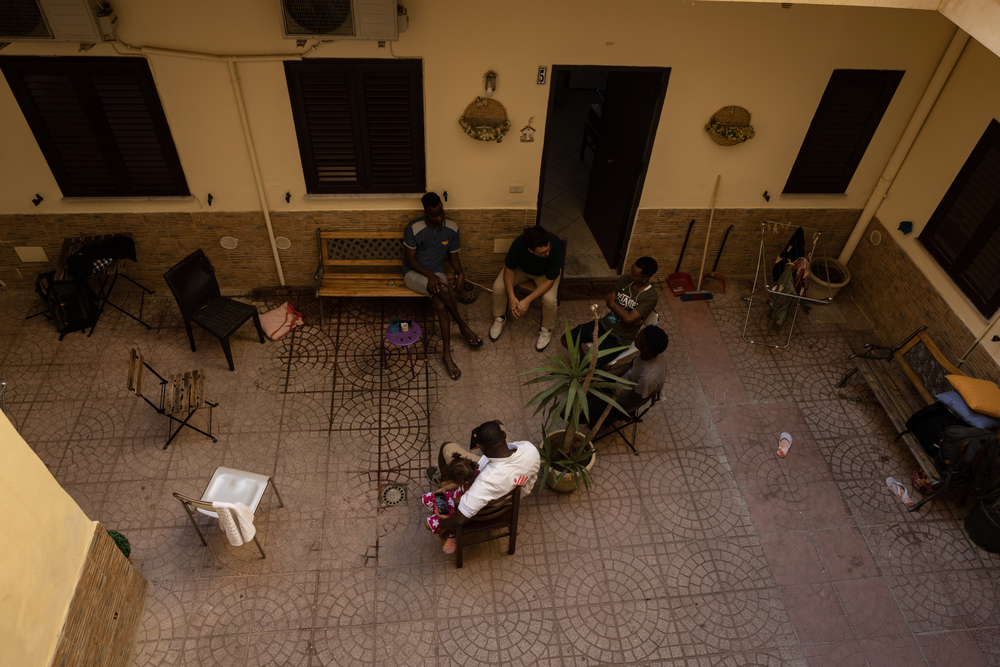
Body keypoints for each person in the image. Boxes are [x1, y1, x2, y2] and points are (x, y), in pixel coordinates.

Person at [403, 192, 483, 381]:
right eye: (434, 216)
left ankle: (447, 355)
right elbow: (410, 259)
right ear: (425, 213)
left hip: (436, 272)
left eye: (441, 214)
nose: (439, 219)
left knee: (440, 305)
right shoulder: (414, 228)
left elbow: (453, 256)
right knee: (444, 290)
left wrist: (460, 273)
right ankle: (463, 326)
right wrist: (429, 276)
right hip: (414, 274)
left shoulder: (452, 228)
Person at [428, 421, 541, 554]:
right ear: (503, 435)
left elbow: (458, 520)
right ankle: (497, 431)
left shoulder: (484, 483)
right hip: (514, 492)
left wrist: (443, 526)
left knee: (446, 447)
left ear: (481, 448)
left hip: (491, 503)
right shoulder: (530, 449)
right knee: (498, 423)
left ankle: (443, 480)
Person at [561, 256, 659, 355]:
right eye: (631, 271)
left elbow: (627, 318)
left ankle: (586, 366)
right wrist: (626, 314)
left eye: (634, 274)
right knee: (566, 339)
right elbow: (609, 301)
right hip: (604, 324)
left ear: (644, 279)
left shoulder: (650, 297)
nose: (630, 274)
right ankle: (581, 362)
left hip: (619, 338)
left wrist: (615, 305)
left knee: (593, 363)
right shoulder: (625, 279)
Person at [488, 225, 563, 351]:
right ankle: (499, 318)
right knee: (498, 287)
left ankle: (546, 329)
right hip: (521, 270)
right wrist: (512, 297)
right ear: (530, 250)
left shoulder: (554, 251)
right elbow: (510, 269)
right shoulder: (518, 244)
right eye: (542, 252)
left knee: (550, 300)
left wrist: (527, 300)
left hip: (544, 275)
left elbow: (549, 281)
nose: (547, 253)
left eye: (548, 248)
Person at [587, 325, 669, 427]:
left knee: (579, 410)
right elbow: (631, 364)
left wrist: (595, 393)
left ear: (644, 349)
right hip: (623, 383)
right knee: (591, 380)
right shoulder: (653, 351)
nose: (636, 335)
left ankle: (597, 424)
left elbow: (628, 403)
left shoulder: (648, 379)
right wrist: (600, 376)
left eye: (638, 336)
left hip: (622, 404)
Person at [421, 456, 478, 535]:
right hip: (453, 498)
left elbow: (462, 516)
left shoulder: (471, 497)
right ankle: (437, 513)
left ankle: (451, 535)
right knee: (427, 498)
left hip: (457, 513)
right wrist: (445, 488)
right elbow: (458, 484)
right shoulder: (472, 473)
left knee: (428, 525)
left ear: (466, 481)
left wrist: (446, 519)